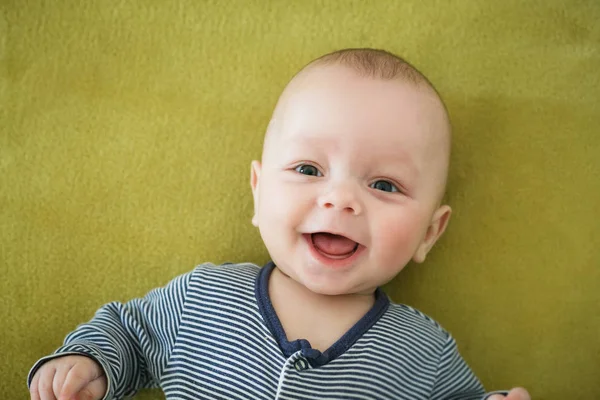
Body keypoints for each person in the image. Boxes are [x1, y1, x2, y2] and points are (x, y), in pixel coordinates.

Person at [28, 48, 531, 400]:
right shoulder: (203, 297)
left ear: (429, 233)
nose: (340, 200)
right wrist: (90, 365)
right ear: (258, 190)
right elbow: (129, 332)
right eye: (309, 170)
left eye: (384, 185)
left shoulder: (424, 350)